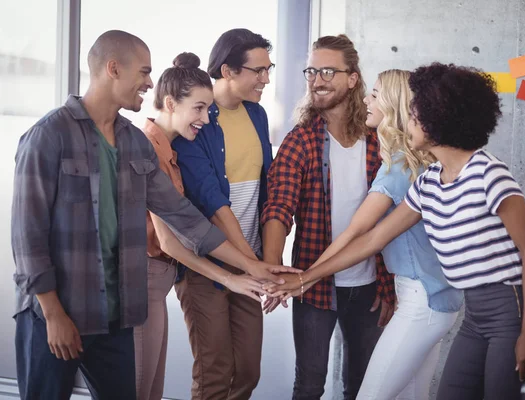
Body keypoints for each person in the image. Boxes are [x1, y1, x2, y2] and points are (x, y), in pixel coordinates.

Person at [11, 30, 286, 400]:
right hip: (58, 313)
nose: (149, 83)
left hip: (118, 316)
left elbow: (184, 216)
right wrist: (53, 313)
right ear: (113, 69)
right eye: (143, 72)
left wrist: (251, 267)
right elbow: (27, 236)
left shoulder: (132, 141)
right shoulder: (48, 136)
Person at [269, 62, 525, 400]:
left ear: (438, 121)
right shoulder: (428, 182)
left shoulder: (488, 173)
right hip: (472, 315)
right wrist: (305, 278)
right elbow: (373, 238)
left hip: (513, 307)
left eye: (416, 116)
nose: (410, 121)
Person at [267, 69, 463, 400]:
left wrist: (306, 278)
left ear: (394, 105)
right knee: (413, 396)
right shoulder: (419, 162)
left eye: (374, 94)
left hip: (421, 300)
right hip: (438, 298)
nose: (366, 100)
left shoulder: (399, 167)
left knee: (370, 394)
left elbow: (363, 234)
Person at [260, 34, 395, 400]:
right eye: (312, 71)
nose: (317, 79)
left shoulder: (378, 141)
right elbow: (279, 206)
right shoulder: (300, 139)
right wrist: (273, 268)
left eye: (327, 71)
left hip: (370, 285)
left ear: (352, 78)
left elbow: (393, 221)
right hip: (312, 284)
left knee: (363, 386)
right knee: (309, 385)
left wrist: (388, 284)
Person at [135, 52, 277, 400]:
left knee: (154, 386)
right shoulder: (149, 147)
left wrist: (252, 266)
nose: (206, 118)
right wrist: (241, 270)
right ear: (171, 102)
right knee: (151, 385)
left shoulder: (170, 145)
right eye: (199, 108)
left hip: (171, 271)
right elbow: (178, 236)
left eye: (207, 109)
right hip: (154, 274)